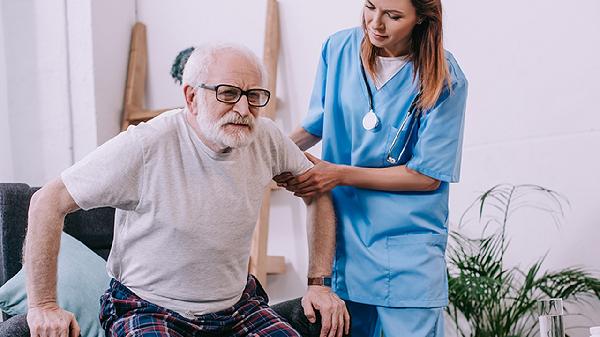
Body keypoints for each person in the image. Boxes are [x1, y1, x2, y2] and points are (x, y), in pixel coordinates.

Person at [24, 44, 349, 337]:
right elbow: (46, 202)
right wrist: (44, 305)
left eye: (254, 96)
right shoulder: (145, 145)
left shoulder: (265, 137)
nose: (244, 108)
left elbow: (318, 190)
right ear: (192, 97)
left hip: (238, 307)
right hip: (148, 308)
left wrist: (319, 284)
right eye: (227, 93)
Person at [275, 0, 468, 336]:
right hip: (346, 247)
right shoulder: (338, 49)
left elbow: (425, 177)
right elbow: (314, 125)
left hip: (408, 256)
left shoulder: (444, 77)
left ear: (422, 19)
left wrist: (338, 173)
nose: (376, 23)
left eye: (393, 16)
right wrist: (264, 155)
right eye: (370, 7)